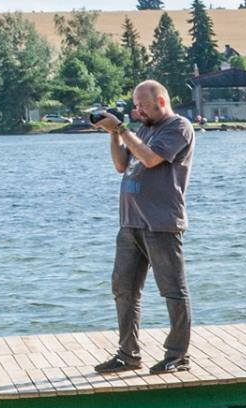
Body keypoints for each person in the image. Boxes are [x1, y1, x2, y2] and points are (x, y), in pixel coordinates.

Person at [93, 81, 195, 376]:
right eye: (135, 107)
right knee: (123, 289)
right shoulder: (145, 128)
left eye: (143, 107)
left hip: (161, 223)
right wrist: (113, 133)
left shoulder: (178, 127)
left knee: (173, 290)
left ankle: (178, 355)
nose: (138, 112)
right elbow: (121, 165)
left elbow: (150, 159)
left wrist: (123, 129)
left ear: (161, 102)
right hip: (130, 223)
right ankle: (128, 354)